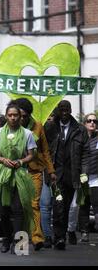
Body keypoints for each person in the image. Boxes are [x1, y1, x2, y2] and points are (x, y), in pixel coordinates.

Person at [0, 102, 36, 254]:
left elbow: (31, 154)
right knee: (3, 210)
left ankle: (18, 242)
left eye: (16, 115)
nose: (13, 118)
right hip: (3, 173)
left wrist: (21, 161)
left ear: (20, 117)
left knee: (19, 209)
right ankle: (6, 239)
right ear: (6, 116)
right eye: (10, 115)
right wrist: (3, 160)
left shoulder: (27, 133)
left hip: (20, 174)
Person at [44, 100, 88, 250]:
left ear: (70, 110)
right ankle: (59, 238)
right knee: (59, 206)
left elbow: (85, 154)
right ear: (58, 110)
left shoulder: (80, 129)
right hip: (56, 175)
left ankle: (64, 233)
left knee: (68, 206)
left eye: (66, 109)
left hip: (72, 175)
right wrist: (49, 171)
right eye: (61, 109)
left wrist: (84, 173)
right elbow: (45, 150)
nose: (64, 112)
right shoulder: (50, 128)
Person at [14, 98, 56, 251]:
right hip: (16, 170)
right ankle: (19, 241)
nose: (22, 118)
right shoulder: (11, 126)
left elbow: (45, 150)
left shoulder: (37, 126)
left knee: (34, 204)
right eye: (20, 115)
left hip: (35, 170)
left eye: (25, 115)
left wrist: (50, 170)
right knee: (20, 206)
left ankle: (37, 238)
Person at [75, 113, 98, 243]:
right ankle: (84, 232)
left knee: (96, 204)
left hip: (96, 178)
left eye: (95, 121)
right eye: (89, 121)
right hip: (82, 178)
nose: (92, 123)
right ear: (84, 123)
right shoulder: (79, 139)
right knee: (83, 205)